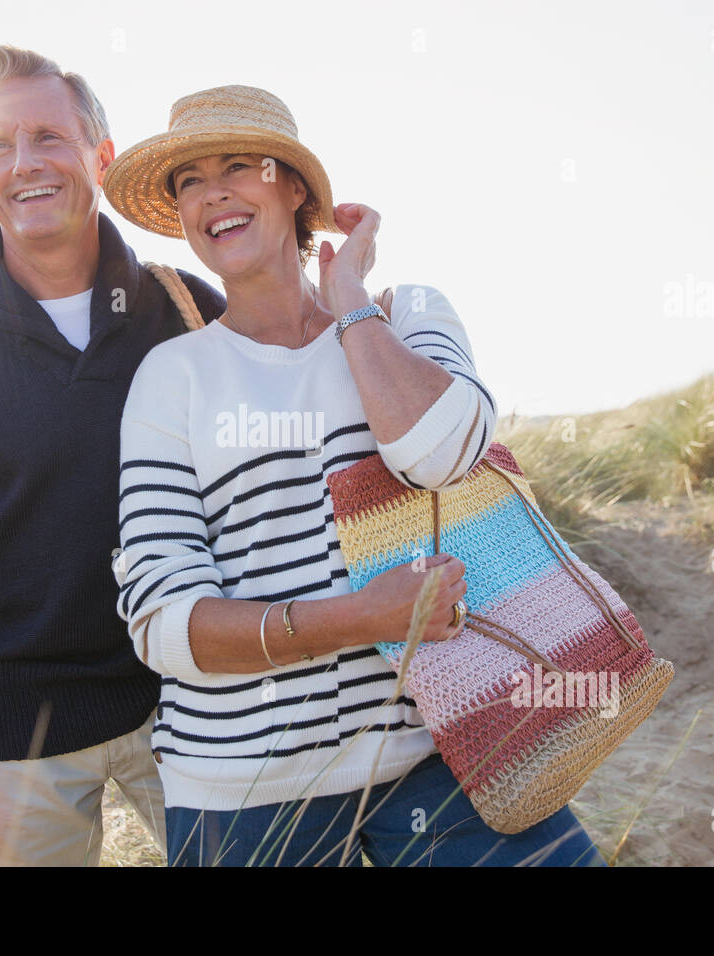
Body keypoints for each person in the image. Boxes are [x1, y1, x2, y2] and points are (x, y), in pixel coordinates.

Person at [103, 85, 607, 866]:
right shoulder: (172, 378)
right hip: (244, 786)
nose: (214, 194)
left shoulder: (404, 315)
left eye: (240, 165)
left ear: (294, 185)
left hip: (446, 747)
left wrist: (348, 304)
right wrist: (361, 618)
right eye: (190, 181)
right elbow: (161, 623)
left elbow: (443, 453)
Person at [0, 45, 225, 866]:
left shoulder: (187, 310)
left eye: (48, 138)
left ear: (101, 156)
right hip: (15, 727)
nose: (24, 163)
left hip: (197, 702)